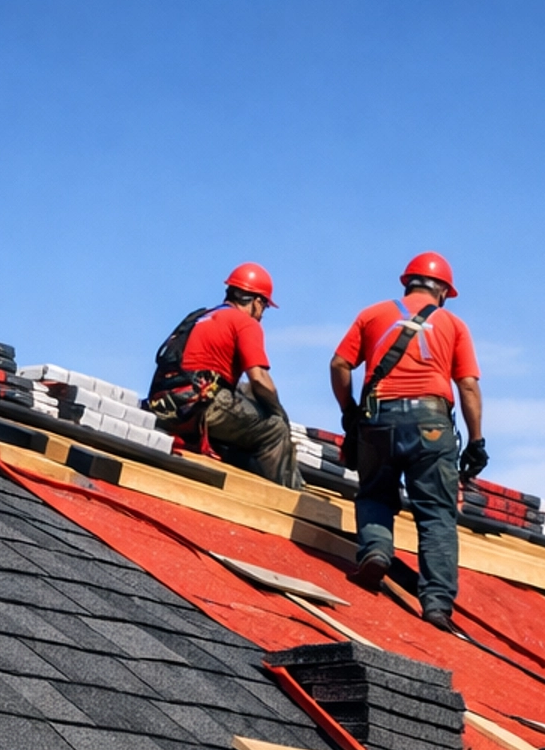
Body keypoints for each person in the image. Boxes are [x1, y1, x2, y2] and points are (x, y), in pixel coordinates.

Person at [330, 253, 486, 631]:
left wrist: (350, 410)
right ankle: (436, 604)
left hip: (377, 419)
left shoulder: (371, 314)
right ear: (444, 292)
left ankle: (376, 554)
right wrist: (477, 441)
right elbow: (467, 385)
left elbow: (339, 364)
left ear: (407, 283)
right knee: (435, 513)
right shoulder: (453, 324)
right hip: (431, 423)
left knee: (375, 494)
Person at [148, 265, 302, 488]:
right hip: (197, 405)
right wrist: (280, 415)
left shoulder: (202, 316)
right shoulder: (246, 323)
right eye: (264, 307)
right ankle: (285, 496)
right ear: (257, 301)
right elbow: (259, 378)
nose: (262, 314)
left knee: (244, 391)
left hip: (164, 403)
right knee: (274, 429)